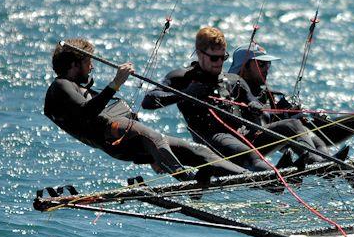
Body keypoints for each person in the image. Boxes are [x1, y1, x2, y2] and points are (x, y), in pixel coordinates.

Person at [44, 39, 248, 183]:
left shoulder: (80, 87)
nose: (91, 68)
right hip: (114, 135)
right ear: (73, 64)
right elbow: (86, 113)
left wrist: (155, 157)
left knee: (197, 151)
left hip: (130, 139)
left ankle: (249, 177)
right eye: (88, 63)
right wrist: (116, 83)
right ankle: (187, 180)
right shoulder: (61, 86)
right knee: (154, 136)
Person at [141, 27, 332, 170]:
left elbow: (252, 99)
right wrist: (187, 93)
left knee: (293, 126)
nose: (219, 64)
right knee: (250, 155)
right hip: (215, 141)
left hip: (245, 136)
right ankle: (275, 180)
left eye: (223, 58)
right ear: (200, 54)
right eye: (214, 58)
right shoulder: (181, 78)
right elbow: (149, 101)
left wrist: (255, 105)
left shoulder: (233, 80)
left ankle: (322, 164)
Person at [228, 42, 354, 154]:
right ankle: (327, 164)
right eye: (261, 64)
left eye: (268, 64)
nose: (267, 68)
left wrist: (315, 117)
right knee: (295, 126)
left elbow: (296, 120)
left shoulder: (271, 95)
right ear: (244, 66)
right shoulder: (234, 92)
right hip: (268, 143)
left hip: (305, 137)